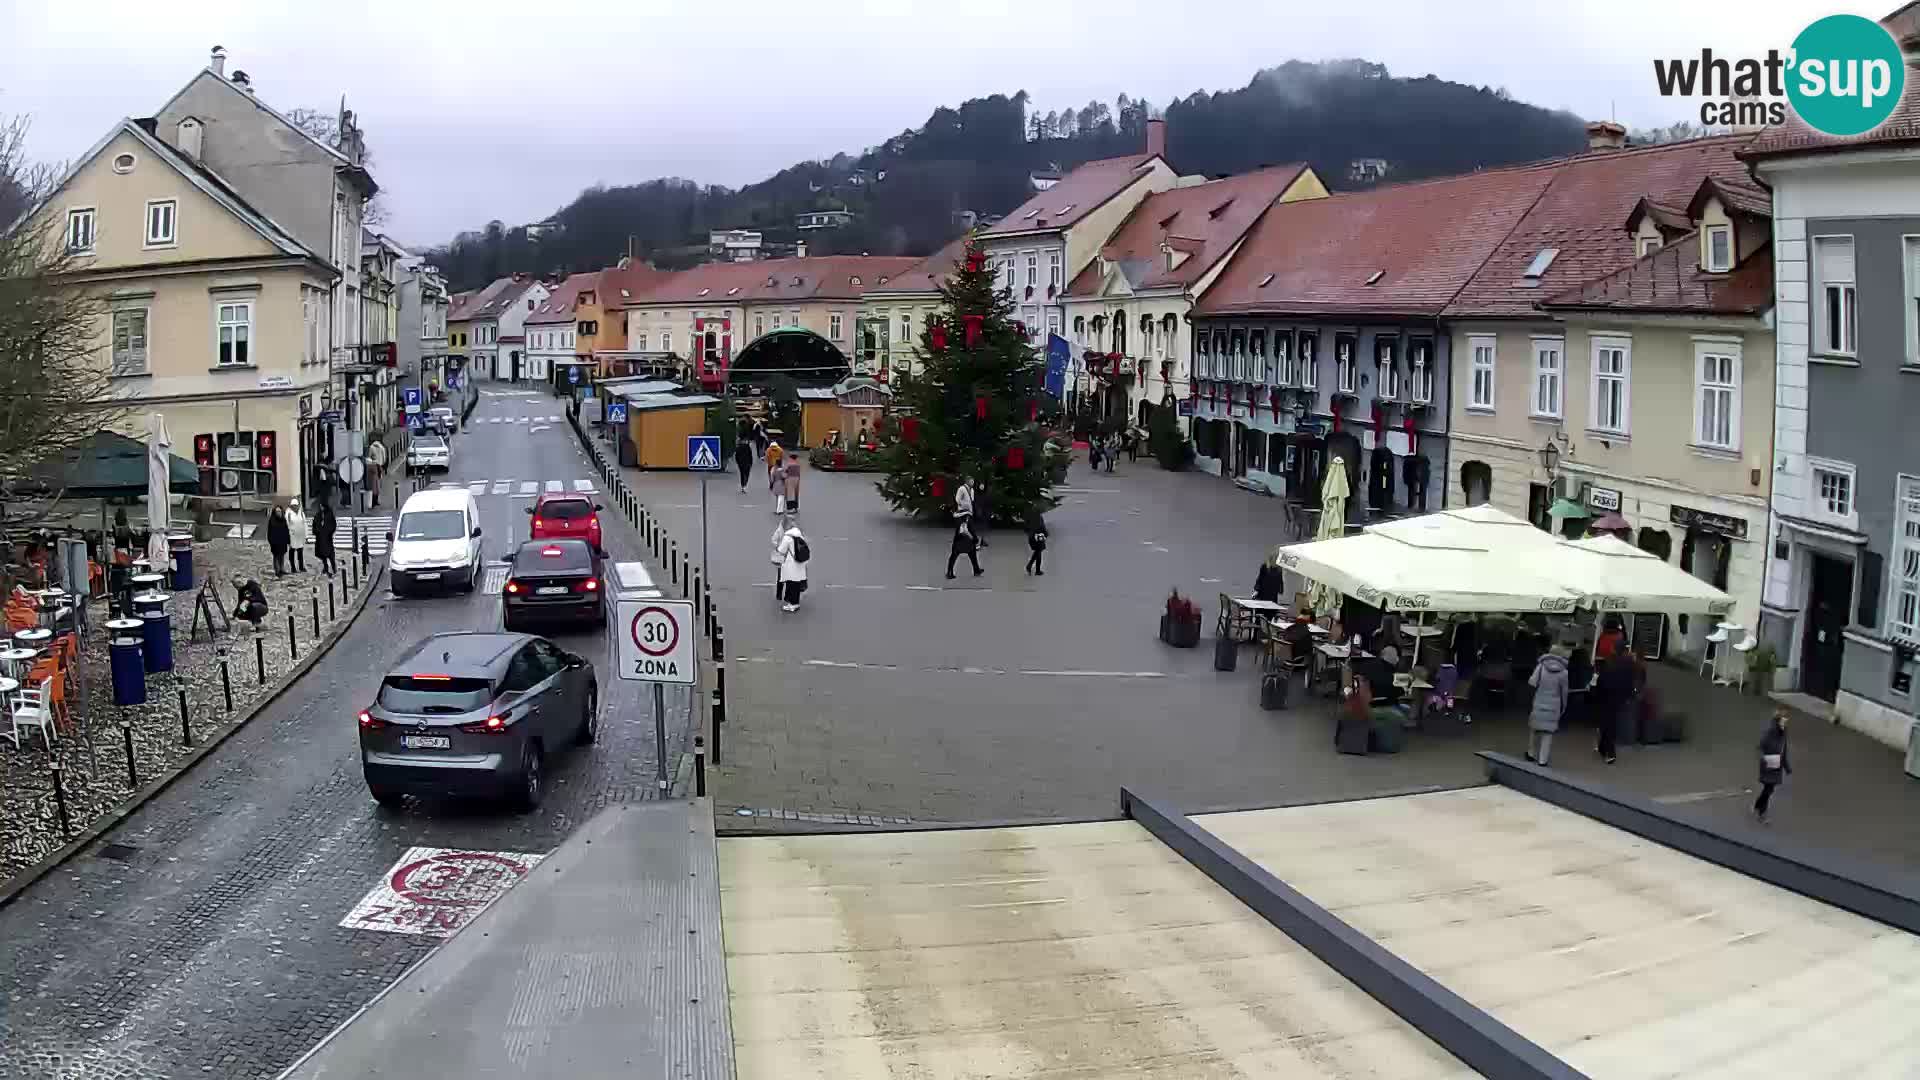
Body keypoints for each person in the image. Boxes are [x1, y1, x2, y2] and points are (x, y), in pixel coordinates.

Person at [1526, 643, 1570, 765]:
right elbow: (1564, 692)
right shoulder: (1564, 672)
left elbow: (1532, 682)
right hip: (1554, 705)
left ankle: (1530, 753)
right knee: (1548, 733)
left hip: (1539, 701)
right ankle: (1542, 760)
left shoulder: (1541, 666)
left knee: (1534, 729)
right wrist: (1563, 706)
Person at [1594, 644, 1637, 764]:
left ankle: (1609, 752)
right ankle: (1603, 748)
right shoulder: (1629, 664)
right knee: (1609, 723)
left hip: (1608, 696)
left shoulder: (1612, 663)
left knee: (1607, 724)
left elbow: (1603, 679)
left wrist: (1598, 692)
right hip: (1619, 697)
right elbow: (1630, 682)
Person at [1754, 710, 1792, 822]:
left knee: (1768, 790)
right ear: (1777, 721)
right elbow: (1759, 748)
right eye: (1783, 721)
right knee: (1768, 790)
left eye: (1786, 722)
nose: (1785, 724)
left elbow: (1783, 751)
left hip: (1776, 767)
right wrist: (1764, 759)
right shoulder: (1769, 733)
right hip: (1767, 766)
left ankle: (1757, 805)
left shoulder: (1783, 734)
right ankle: (1762, 814)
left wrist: (1787, 767)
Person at [771, 519, 808, 612]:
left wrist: (777, 548)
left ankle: (792, 604)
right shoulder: (799, 535)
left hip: (791, 565)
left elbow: (781, 550)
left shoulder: (787, 537)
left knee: (791, 584)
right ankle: (796, 603)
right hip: (799, 564)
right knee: (796, 584)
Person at [312, 500, 338, 577]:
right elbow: (314, 525)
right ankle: (325, 567)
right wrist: (316, 531)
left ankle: (334, 568)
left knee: (331, 555)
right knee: (323, 555)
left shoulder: (329, 514)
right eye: (320, 506)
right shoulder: (318, 515)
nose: (321, 508)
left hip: (327, 538)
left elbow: (333, 525)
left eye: (322, 506)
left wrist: (329, 532)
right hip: (320, 539)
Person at [266, 505, 291, 577]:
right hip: (275, 543)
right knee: (276, 557)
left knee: (282, 556)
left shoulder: (283, 519)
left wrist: (288, 540)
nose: (278, 513)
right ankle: (277, 571)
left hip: (282, 542)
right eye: (277, 511)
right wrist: (271, 542)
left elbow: (286, 530)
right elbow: (269, 533)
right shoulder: (272, 520)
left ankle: (282, 569)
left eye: (279, 511)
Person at [1023, 506, 1048, 575]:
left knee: (1037, 552)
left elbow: (1025, 528)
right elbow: (1042, 527)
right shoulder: (1039, 518)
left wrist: (1029, 533)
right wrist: (1046, 534)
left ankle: (1032, 567)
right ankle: (1035, 569)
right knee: (1038, 552)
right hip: (1038, 537)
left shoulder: (1029, 517)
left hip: (1031, 538)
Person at [285, 502, 308, 573]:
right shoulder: (288, 513)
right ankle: (293, 567)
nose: (295, 507)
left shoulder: (301, 513)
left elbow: (305, 524)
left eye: (296, 505)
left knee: (300, 552)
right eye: (293, 506)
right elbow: (286, 525)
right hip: (292, 536)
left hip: (300, 536)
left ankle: (301, 567)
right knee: (292, 552)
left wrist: (306, 535)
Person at [365, 437, 388, 508]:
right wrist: (383, 464)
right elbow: (384, 457)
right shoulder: (381, 447)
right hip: (380, 466)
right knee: (378, 484)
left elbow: (369, 456)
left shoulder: (372, 447)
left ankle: (373, 501)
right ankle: (376, 500)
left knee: (373, 485)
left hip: (374, 465)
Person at [971, 479, 991, 548]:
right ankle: (977, 542)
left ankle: (983, 540)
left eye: (983, 485)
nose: (982, 486)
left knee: (984, 527)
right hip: (978, 512)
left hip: (985, 512)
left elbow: (989, 503)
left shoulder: (986, 493)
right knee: (978, 528)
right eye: (981, 485)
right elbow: (974, 503)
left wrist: (989, 512)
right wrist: (977, 510)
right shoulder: (976, 494)